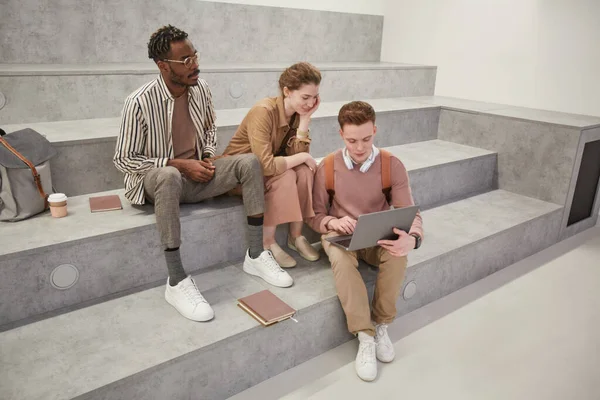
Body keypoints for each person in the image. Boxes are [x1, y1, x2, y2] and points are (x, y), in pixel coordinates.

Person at [113, 25, 293, 323]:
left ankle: (256, 255)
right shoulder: (139, 102)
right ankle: (176, 281)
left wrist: (207, 157)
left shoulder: (201, 88)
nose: (194, 64)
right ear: (162, 65)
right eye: (185, 60)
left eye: (194, 55)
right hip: (156, 181)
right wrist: (180, 164)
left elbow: (210, 128)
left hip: (197, 174)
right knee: (169, 175)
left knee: (248, 163)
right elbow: (124, 159)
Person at [308, 101, 424, 381]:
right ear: (340, 135)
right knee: (339, 257)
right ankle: (365, 335)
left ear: (375, 130)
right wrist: (331, 222)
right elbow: (315, 216)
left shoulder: (391, 165)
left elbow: (411, 214)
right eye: (351, 140)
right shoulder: (326, 167)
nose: (359, 147)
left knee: (398, 253)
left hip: (376, 236)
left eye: (366, 139)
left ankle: (382, 325)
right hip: (340, 235)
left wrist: (414, 238)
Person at [223, 62, 321, 268]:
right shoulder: (264, 111)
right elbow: (264, 165)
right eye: (305, 97)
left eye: (314, 97)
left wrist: (304, 121)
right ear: (287, 91)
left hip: (266, 172)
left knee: (304, 172)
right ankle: (267, 242)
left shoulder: (296, 114)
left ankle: (296, 236)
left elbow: (298, 156)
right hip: (241, 175)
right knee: (287, 174)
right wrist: (302, 157)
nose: (311, 103)